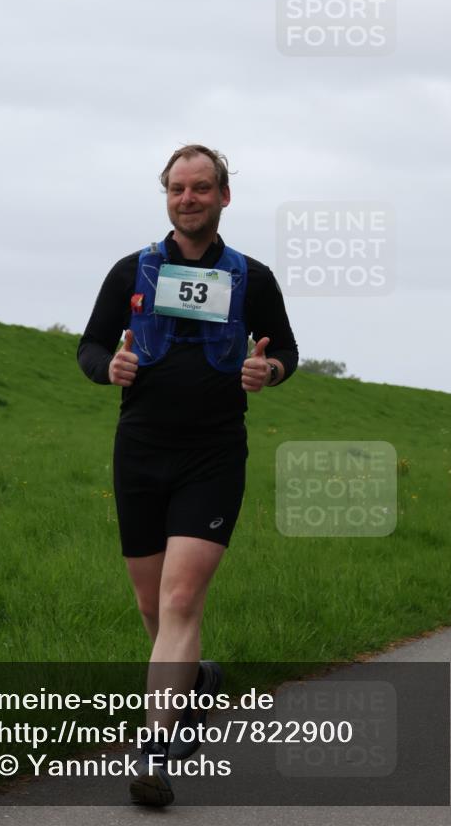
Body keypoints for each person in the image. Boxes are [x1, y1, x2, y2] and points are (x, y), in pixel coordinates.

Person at [77, 144, 298, 805]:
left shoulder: (251, 278)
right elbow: (90, 344)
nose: (188, 198)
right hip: (139, 452)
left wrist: (270, 372)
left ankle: (154, 751)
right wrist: (105, 368)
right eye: (177, 188)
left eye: (201, 188)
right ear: (166, 196)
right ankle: (194, 679)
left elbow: (284, 348)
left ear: (224, 197)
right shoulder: (132, 271)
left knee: (178, 601)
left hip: (213, 455)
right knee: (152, 606)